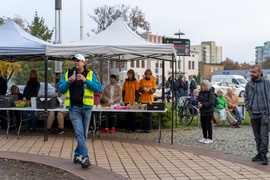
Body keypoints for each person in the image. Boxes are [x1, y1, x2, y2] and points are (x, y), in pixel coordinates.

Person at [58, 54, 100, 169]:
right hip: (74, 108)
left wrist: (85, 80)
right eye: (75, 61)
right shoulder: (68, 73)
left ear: (84, 62)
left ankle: (77, 155)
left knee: (84, 134)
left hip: (87, 108)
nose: (76, 63)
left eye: (78, 61)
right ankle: (85, 157)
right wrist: (68, 82)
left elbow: (97, 88)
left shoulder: (91, 74)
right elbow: (60, 89)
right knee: (79, 133)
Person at [244, 65, 269, 165]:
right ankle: (259, 152)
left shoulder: (266, 83)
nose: (251, 74)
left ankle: (264, 154)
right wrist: (249, 111)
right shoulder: (249, 84)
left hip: (265, 113)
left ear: (260, 72)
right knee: (257, 136)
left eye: (253, 72)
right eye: (250, 72)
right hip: (253, 113)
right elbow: (246, 98)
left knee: (264, 135)